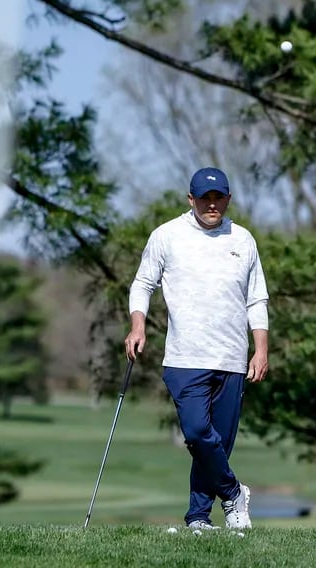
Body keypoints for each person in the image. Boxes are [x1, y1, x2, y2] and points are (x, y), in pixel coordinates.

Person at [124, 167, 269, 531]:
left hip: (232, 358)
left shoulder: (243, 239)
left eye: (218, 197)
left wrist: (261, 349)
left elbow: (257, 300)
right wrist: (137, 325)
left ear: (228, 199)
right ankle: (234, 493)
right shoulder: (167, 236)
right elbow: (143, 283)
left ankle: (198, 518)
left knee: (217, 442)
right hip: (185, 358)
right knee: (196, 434)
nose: (212, 204)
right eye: (204, 198)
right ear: (191, 200)